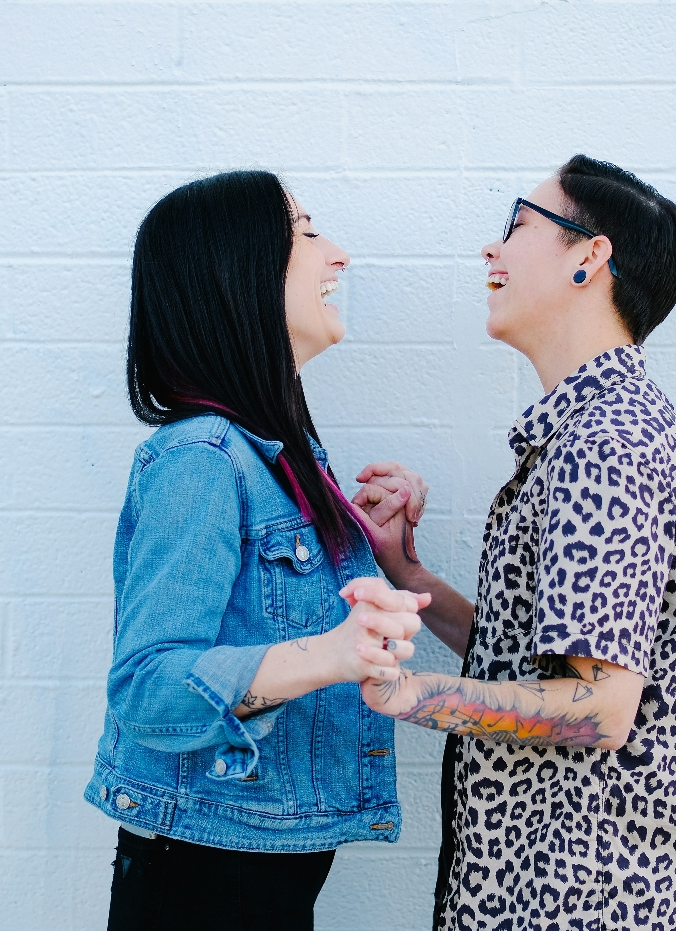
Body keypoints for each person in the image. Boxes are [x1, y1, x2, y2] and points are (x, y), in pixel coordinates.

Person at [354, 156, 676, 931]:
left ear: (589, 257)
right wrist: (408, 570)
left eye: (517, 225)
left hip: (586, 895)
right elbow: (544, 657)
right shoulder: (593, 432)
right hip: (560, 884)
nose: (491, 251)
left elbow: (598, 709)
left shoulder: (608, 443)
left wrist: (414, 696)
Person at [84, 169, 431, 931]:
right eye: (306, 233)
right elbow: (147, 685)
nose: (337, 254)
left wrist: (379, 555)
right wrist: (334, 653)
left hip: (252, 877)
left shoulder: (283, 453)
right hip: (202, 884)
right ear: (236, 272)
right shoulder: (201, 457)